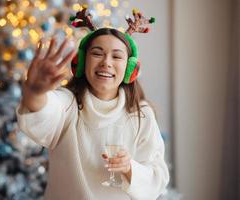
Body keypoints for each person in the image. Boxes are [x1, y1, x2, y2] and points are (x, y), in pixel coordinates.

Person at [16, 9, 169, 200]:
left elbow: (158, 178)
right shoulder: (68, 104)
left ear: (130, 68)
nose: (106, 62)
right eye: (97, 54)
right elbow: (42, 111)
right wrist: (35, 92)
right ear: (81, 62)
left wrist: (130, 168)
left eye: (116, 56)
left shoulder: (141, 115)